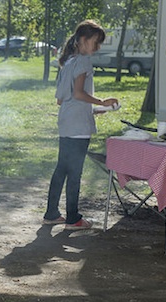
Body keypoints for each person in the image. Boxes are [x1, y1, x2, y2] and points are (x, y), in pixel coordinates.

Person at [42, 20, 119, 230]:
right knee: (74, 171)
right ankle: (73, 218)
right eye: (96, 42)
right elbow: (78, 93)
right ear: (84, 40)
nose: (98, 47)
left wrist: (94, 109)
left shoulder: (67, 61)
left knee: (62, 169)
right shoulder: (83, 61)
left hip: (66, 120)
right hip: (78, 126)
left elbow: (63, 99)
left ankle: (51, 213)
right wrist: (101, 101)